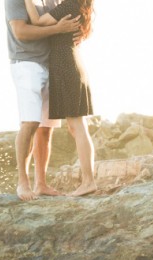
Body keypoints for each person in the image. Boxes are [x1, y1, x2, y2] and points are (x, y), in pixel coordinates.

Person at [5, 0, 81, 201]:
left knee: (46, 129)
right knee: (30, 123)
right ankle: (23, 182)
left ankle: (41, 184)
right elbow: (21, 32)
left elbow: (66, 23)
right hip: (26, 63)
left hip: (51, 64)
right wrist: (57, 29)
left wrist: (74, 32)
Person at [23, 0, 97, 196]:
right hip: (70, 65)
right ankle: (88, 180)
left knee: (77, 126)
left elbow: (37, 21)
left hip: (67, 68)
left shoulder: (68, 5)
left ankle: (88, 181)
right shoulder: (73, 5)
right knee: (77, 126)